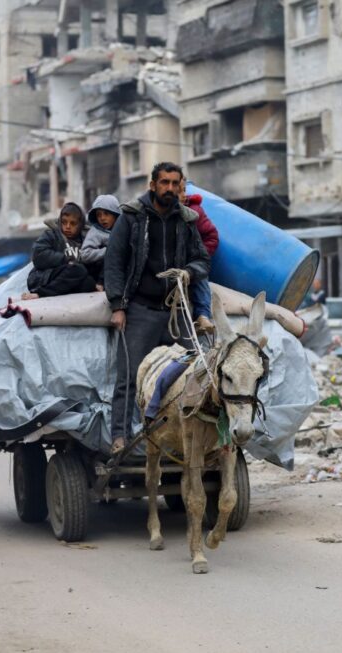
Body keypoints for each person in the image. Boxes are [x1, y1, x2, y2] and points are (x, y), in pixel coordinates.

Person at [104, 162, 211, 454]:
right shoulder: (132, 217)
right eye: (164, 182)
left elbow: (202, 260)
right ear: (152, 185)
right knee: (129, 376)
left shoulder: (186, 220)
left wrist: (189, 272)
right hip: (141, 309)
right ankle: (120, 437)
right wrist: (118, 306)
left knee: (197, 371)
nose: (170, 189)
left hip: (177, 311)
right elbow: (114, 263)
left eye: (175, 183)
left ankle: (193, 440)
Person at [23, 202, 96, 300]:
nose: (68, 226)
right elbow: (38, 255)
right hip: (44, 277)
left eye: (73, 223)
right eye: (64, 222)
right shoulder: (51, 235)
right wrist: (65, 259)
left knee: (89, 283)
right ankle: (41, 293)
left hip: (70, 279)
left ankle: (57, 290)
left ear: (80, 225)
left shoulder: (86, 241)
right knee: (78, 269)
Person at [179, 176, 218, 334]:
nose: (182, 195)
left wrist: (200, 257)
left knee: (200, 276)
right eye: (178, 191)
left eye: (183, 190)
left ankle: (202, 316)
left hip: (191, 260)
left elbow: (212, 237)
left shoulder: (194, 211)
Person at [79, 194, 122, 291]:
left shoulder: (123, 230)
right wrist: (108, 251)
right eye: (99, 215)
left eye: (106, 214)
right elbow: (85, 254)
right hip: (99, 271)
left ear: (115, 214)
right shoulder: (95, 232)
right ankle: (100, 284)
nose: (102, 218)